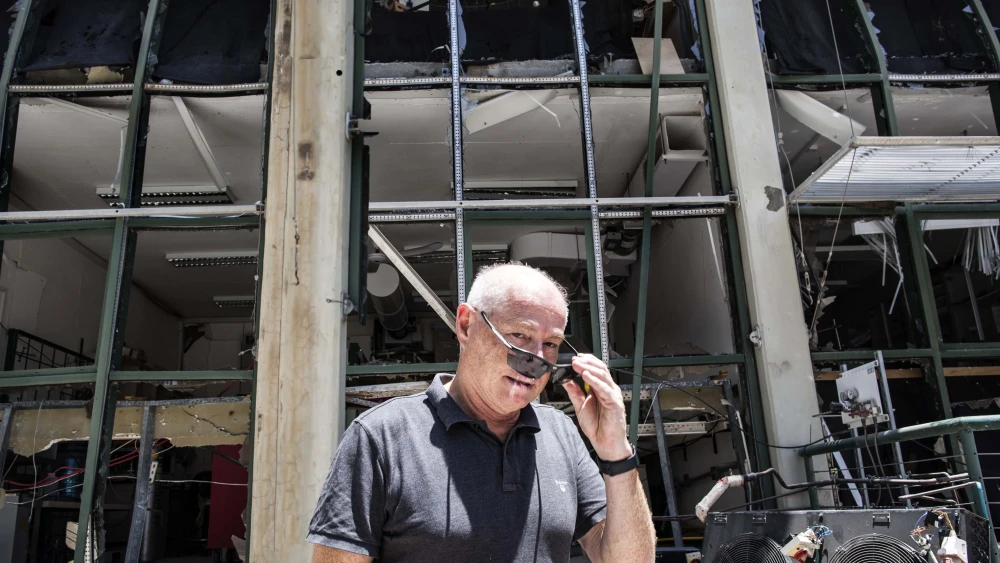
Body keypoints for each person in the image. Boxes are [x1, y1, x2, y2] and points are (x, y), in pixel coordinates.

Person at [308, 262, 656, 562]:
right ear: (465, 326)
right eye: (519, 335)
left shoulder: (560, 434)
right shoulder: (382, 437)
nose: (535, 361)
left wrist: (617, 453)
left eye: (550, 344)